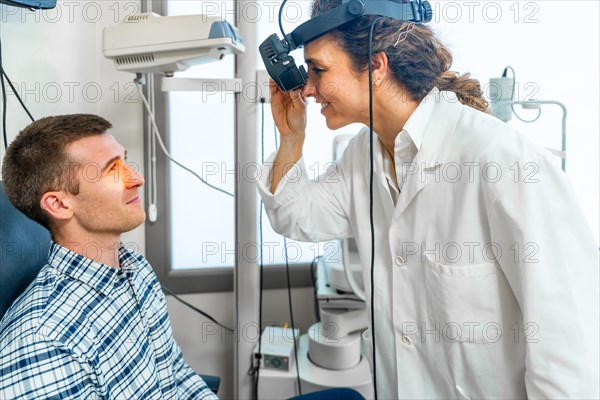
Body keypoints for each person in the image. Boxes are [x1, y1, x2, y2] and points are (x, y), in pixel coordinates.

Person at [257, 0, 599, 398]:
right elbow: (298, 217)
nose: (309, 88)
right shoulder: (363, 153)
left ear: (377, 67)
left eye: (319, 69)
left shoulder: (503, 162)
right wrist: (291, 138)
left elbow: (569, 352)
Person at [0, 115, 218, 399]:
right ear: (59, 204)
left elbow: (176, 375)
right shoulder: (45, 343)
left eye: (124, 161)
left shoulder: (136, 269)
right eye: (112, 169)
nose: (136, 178)